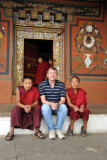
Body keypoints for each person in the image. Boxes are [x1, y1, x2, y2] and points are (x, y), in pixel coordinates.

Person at [5, 77, 45, 141]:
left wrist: (30, 106)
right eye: (26, 83)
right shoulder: (19, 89)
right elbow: (17, 102)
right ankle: (11, 130)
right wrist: (24, 107)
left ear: (32, 84)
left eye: (30, 83)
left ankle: (37, 130)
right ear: (22, 83)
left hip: (32, 106)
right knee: (16, 109)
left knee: (37, 108)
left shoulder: (35, 89)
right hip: (22, 106)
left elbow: (36, 102)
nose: (28, 85)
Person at [38, 67, 68, 140]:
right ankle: (51, 130)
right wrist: (51, 104)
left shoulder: (61, 84)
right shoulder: (41, 84)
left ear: (57, 75)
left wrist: (56, 104)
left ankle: (58, 130)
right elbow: (43, 100)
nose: (52, 75)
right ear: (47, 75)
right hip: (48, 105)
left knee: (64, 107)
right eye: (51, 73)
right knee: (44, 107)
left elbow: (63, 100)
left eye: (54, 73)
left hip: (57, 105)